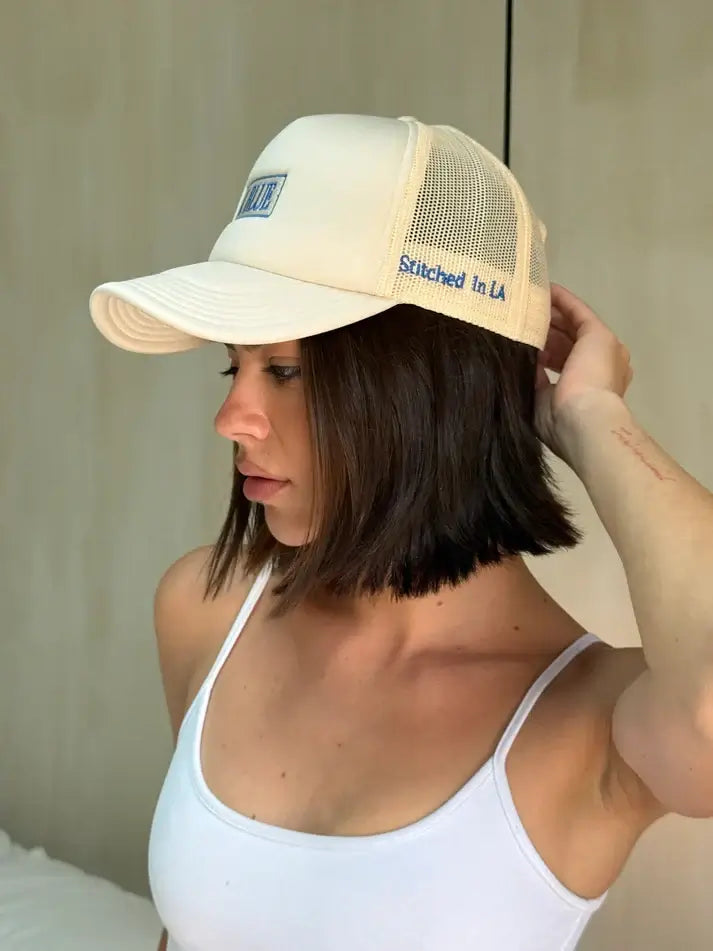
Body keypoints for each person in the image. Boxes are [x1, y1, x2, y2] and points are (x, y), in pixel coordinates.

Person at [89, 114, 713, 951]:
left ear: (430, 389)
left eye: (283, 370)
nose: (230, 417)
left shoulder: (586, 721)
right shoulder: (207, 608)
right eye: (231, 364)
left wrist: (591, 417)